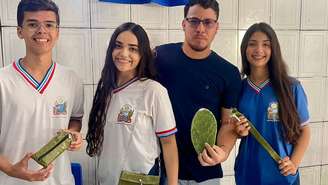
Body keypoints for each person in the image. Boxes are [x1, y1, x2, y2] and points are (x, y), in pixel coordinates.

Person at [154, 0, 242, 184]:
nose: (200, 28)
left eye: (208, 22)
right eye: (194, 21)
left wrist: (223, 152)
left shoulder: (229, 73)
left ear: (216, 27)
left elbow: (227, 123)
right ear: (184, 24)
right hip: (163, 170)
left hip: (206, 173)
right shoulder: (160, 57)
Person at [0, 0, 84, 185]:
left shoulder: (72, 80)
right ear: (19, 31)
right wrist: (10, 169)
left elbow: (76, 119)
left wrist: (73, 133)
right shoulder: (2, 80)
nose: (41, 30)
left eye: (49, 24)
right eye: (32, 24)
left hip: (61, 180)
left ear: (57, 31)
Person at [85, 22, 179, 185]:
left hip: (141, 179)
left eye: (133, 49)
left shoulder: (153, 91)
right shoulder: (105, 91)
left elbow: (169, 143)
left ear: (142, 54)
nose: (123, 53)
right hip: (107, 178)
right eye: (118, 46)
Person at [234, 22, 311, 185]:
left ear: (273, 50)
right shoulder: (238, 89)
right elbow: (231, 129)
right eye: (252, 44)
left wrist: (294, 163)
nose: (259, 50)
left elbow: (305, 130)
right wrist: (238, 131)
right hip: (248, 173)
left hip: (282, 176)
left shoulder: (291, 87)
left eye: (266, 45)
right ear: (244, 49)